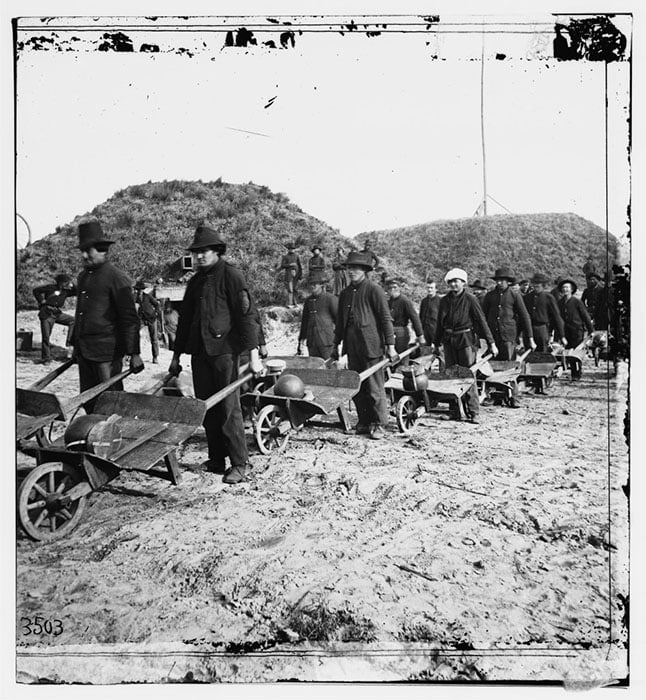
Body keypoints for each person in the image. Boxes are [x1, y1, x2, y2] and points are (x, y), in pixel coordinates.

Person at [169, 224, 263, 484]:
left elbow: (246, 316)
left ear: (218, 251)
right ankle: (216, 458)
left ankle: (240, 464)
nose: (200, 257)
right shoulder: (196, 282)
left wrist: (254, 354)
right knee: (207, 406)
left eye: (205, 252)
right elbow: (185, 321)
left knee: (228, 408)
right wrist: (176, 357)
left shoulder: (232, 276)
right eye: (196, 252)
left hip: (225, 353)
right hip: (200, 353)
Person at [72, 220, 143, 411]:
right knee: (88, 399)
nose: (84, 255)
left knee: (110, 400)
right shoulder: (83, 277)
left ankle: (114, 436)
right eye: (82, 250)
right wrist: (75, 346)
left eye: (89, 250)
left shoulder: (116, 278)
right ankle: (94, 436)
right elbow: (80, 314)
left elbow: (129, 319)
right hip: (85, 351)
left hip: (107, 353)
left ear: (103, 250)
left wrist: (134, 353)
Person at [332, 251, 396, 440]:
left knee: (374, 388)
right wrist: (336, 345)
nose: (351, 271)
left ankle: (379, 424)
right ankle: (364, 421)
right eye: (349, 268)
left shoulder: (373, 290)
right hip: (352, 347)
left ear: (365, 270)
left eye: (356, 268)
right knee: (357, 387)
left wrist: (390, 345)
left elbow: (385, 319)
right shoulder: (344, 294)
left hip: (371, 346)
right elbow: (340, 323)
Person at [432, 268, 497, 423]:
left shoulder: (470, 299)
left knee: (468, 375)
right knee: (450, 375)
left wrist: (491, 343)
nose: (454, 284)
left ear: (463, 283)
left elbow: (482, 321)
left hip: (465, 340)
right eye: (451, 282)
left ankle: (474, 411)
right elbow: (439, 325)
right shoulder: (444, 300)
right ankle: (454, 410)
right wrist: (435, 343)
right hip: (449, 340)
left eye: (457, 281)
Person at [481, 267, 535, 408]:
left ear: (508, 282)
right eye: (498, 280)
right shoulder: (490, 296)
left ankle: (513, 397)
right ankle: (494, 396)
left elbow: (525, 316)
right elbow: (483, 317)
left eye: (503, 281)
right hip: (493, 337)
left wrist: (529, 337)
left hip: (508, 336)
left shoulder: (515, 295)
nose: (500, 283)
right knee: (493, 367)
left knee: (509, 367)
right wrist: (483, 337)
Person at [32, 273, 76, 364]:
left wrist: (73, 285)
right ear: (61, 283)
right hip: (46, 313)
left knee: (73, 321)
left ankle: (69, 342)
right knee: (46, 337)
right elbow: (36, 290)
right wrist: (41, 300)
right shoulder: (50, 287)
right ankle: (46, 358)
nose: (67, 284)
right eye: (66, 282)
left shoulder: (66, 291)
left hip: (57, 313)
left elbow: (77, 291)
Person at [558, 278, 594, 379]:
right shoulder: (560, 303)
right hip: (565, 331)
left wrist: (591, 330)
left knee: (576, 353)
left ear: (571, 289)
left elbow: (585, 316)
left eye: (567, 288)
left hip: (577, 330)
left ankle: (576, 374)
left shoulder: (577, 302)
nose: (565, 289)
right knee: (568, 351)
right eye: (564, 287)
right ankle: (571, 371)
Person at [297, 272, 338, 360]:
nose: (312, 286)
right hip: (312, 342)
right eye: (310, 284)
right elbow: (305, 322)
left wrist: (338, 340)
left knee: (330, 368)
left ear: (321, 285)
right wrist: (301, 340)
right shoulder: (308, 301)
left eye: (315, 284)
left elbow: (338, 320)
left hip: (327, 341)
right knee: (315, 367)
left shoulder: (330, 299)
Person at [523, 273, 567, 352]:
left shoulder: (548, 298)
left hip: (542, 328)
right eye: (534, 286)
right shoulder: (527, 298)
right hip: (529, 329)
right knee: (528, 353)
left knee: (542, 353)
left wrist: (562, 335)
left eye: (538, 286)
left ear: (543, 286)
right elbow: (522, 316)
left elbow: (556, 316)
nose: (535, 288)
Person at [386, 279, 424, 361]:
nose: (392, 289)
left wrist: (420, 335)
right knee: (391, 354)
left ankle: (403, 369)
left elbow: (414, 317)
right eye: (390, 288)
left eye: (395, 287)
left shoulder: (404, 300)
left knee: (402, 354)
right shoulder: (388, 302)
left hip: (401, 331)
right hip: (390, 331)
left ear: (399, 288)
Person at [134, 280, 162, 364]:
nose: (140, 291)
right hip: (141, 319)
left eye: (141, 289)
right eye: (138, 289)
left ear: (143, 289)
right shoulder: (135, 298)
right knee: (135, 336)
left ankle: (155, 356)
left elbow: (157, 304)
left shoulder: (148, 297)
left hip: (151, 318)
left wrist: (156, 313)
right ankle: (135, 356)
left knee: (154, 338)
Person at [276, 242, 302, 307]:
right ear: (288, 249)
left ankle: (296, 303)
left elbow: (299, 265)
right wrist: (290, 265)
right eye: (290, 249)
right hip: (289, 273)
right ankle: (289, 303)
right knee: (290, 289)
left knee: (295, 288)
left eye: (293, 249)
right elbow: (283, 265)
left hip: (296, 273)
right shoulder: (285, 256)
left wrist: (300, 274)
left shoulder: (296, 256)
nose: (292, 250)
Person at [419, 279, 441, 346]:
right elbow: (421, 316)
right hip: (425, 331)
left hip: (436, 331)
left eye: (431, 288)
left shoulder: (441, 301)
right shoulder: (424, 301)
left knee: (439, 352)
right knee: (425, 351)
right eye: (428, 288)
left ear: (436, 289)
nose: (429, 290)